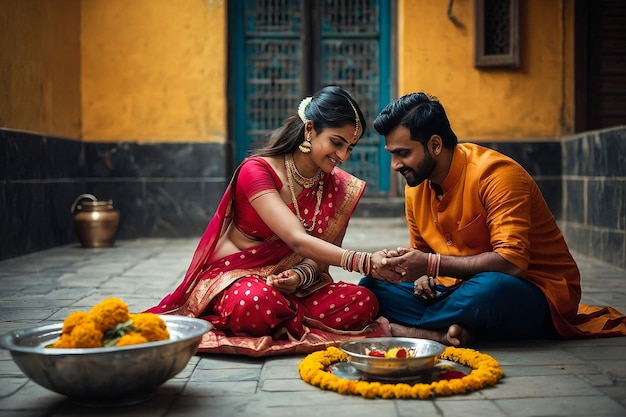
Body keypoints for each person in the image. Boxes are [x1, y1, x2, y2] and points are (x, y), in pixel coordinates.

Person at [359, 92, 626, 346]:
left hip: (532, 292)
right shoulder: (415, 187)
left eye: (403, 153)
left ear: (435, 145)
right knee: (371, 286)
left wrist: (430, 265)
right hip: (456, 292)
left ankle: (409, 330)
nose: (395, 164)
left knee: (490, 289)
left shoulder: (497, 176)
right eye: (392, 154)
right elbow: (425, 256)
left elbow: (512, 264)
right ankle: (448, 331)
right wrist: (414, 273)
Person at [147, 86, 390, 356]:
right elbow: (298, 240)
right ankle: (287, 320)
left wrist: (299, 276)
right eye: (336, 142)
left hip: (295, 291)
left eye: (350, 147)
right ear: (310, 129)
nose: (343, 156)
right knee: (253, 302)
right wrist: (366, 262)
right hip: (239, 279)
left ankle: (279, 321)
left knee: (364, 301)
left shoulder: (337, 187)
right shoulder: (257, 171)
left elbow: (319, 258)